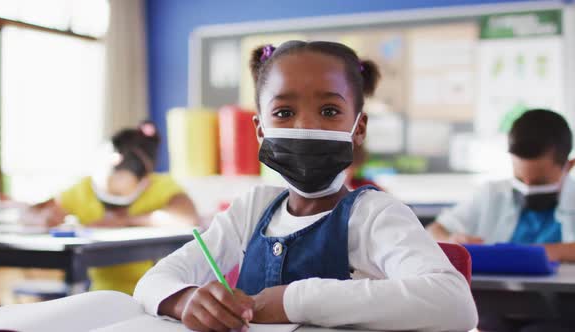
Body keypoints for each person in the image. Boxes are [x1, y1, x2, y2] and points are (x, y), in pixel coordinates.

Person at [134, 41, 477, 332]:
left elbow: (455, 304)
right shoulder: (251, 209)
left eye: (329, 110)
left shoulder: (375, 215)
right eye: (283, 112)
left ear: (358, 129)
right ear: (260, 130)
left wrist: (292, 301)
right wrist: (184, 300)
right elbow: (154, 280)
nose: (306, 126)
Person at [24, 121, 199, 294]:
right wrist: (44, 218)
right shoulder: (83, 189)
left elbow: (187, 217)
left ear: (145, 180)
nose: (113, 203)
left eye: (121, 194)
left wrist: (124, 221)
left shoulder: (160, 186)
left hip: (158, 293)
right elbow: (31, 213)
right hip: (102, 294)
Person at [428, 109, 575, 262]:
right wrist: (451, 241)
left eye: (540, 181)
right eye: (519, 178)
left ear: (569, 166)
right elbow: (434, 230)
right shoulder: (491, 193)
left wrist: (549, 252)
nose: (527, 186)